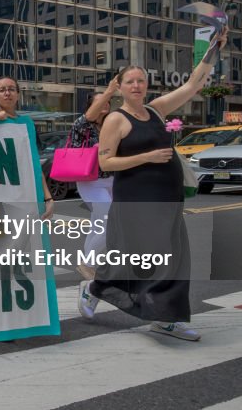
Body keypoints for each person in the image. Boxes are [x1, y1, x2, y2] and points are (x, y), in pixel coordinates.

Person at [91, 28, 229, 342]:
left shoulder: (156, 110)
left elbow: (194, 84)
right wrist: (148, 156)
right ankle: (124, 299)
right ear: (120, 87)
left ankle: (163, 316)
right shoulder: (116, 119)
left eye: (141, 80)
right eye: (130, 82)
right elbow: (105, 163)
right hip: (137, 201)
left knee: (173, 257)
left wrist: (213, 50)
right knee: (153, 258)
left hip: (167, 200)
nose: (137, 86)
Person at [72, 78, 120, 319]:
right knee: (106, 214)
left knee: (103, 222)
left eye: (108, 101)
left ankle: (93, 270)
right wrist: (110, 89)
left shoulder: (113, 125)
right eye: (101, 101)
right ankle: (87, 264)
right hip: (89, 179)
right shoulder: (83, 126)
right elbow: (88, 118)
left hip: (113, 179)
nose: (106, 104)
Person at [0, 76, 55, 221]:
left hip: (26, 194)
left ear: (18, 95)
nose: (7, 93)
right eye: (1, 90)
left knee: (26, 240)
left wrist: (48, 198)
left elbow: (34, 163)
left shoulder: (27, 124)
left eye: (12, 89)